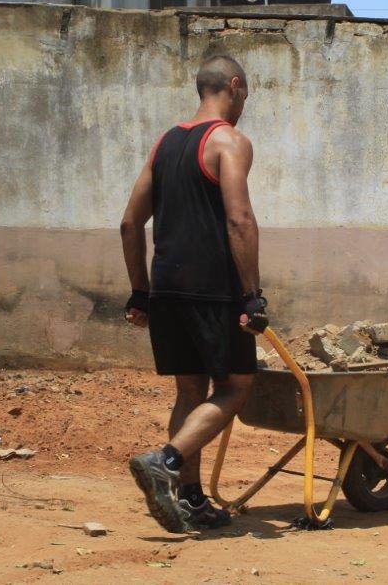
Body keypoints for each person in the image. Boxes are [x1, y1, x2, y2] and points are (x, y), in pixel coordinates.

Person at [119, 54, 269, 533]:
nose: (244, 103)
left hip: (166, 287)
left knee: (190, 390)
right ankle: (165, 460)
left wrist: (140, 293)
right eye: (245, 94)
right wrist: (252, 296)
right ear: (234, 85)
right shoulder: (229, 141)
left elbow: (128, 223)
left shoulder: (164, 144)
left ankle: (191, 498)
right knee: (237, 386)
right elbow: (239, 218)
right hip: (214, 292)